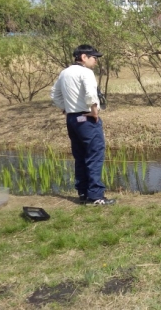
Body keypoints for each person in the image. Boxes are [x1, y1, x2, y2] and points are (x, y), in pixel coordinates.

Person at [51, 45, 115, 205]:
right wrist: (94, 111)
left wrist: (65, 108)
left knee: (80, 156)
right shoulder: (86, 72)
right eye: (94, 58)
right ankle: (96, 196)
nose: (96, 61)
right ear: (84, 57)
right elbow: (90, 92)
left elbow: (54, 94)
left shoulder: (64, 72)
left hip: (72, 119)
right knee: (94, 155)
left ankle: (83, 192)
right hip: (86, 118)